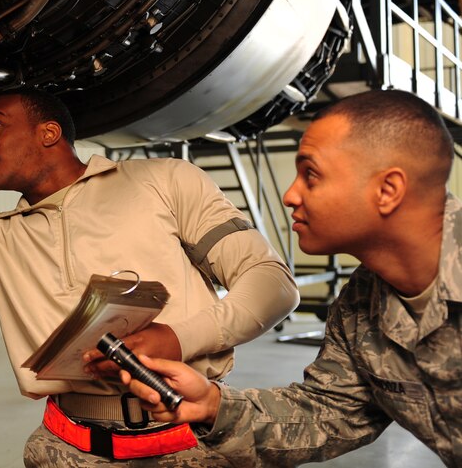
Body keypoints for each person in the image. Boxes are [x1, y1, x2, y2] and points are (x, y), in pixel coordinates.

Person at [0, 34, 299, 466]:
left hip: (188, 442)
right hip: (68, 450)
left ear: (48, 134)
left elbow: (271, 284)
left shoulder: (165, 182)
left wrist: (178, 337)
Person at [119, 89, 462, 467]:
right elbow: (330, 411)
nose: (289, 195)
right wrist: (212, 406)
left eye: (311, 174)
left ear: (387, 190)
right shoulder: (361, 303)